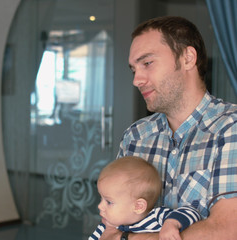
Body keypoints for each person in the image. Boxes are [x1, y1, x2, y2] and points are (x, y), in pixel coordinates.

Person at [100, 16, 237, 240]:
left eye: (147, 63)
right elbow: (111, 224)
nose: (136, 79)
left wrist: (131, 238)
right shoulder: (136, 137)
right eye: (134, 69)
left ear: (187, 58)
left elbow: (227, 229)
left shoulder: (230, 128)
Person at [89, 156, 201, 240]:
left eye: (109, 202)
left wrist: (172, 223)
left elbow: (191, 212)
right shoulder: (105, 228)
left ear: (138, 206)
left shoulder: (157, 217)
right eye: (101, 198)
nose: (100, 206)